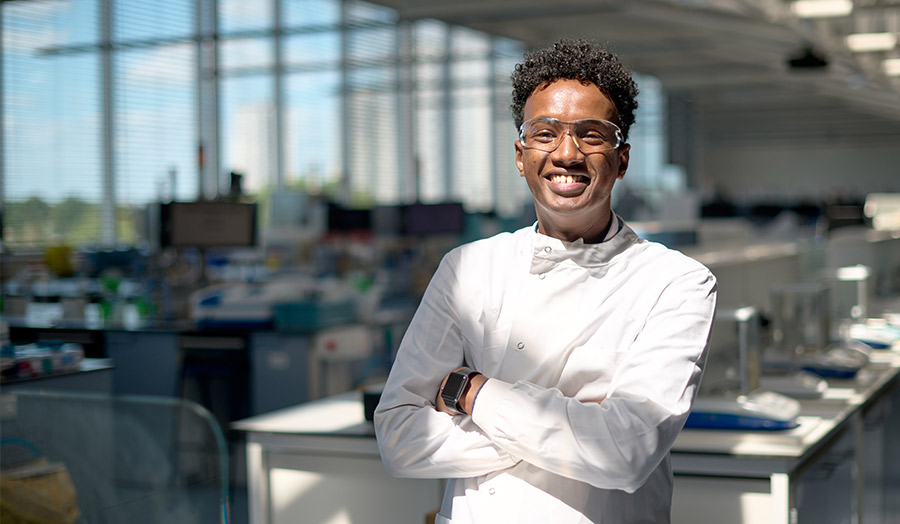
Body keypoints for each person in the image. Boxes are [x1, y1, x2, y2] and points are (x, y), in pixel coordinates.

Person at [374, 37, 717, 524]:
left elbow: (626, 452)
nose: (567, 153)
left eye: (592, 135)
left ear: (622, 159)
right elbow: (398, 438)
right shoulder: (467, 268)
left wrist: (470, 392)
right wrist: (580, 427)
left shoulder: (677, 282)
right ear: (521, 155)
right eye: (544, 132)